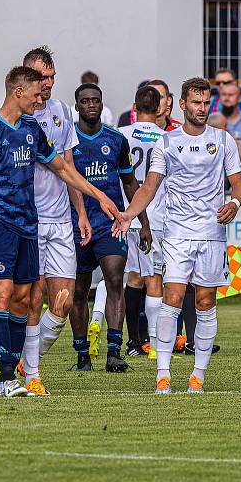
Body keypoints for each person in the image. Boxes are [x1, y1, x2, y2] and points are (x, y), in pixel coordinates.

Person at [0, 66, 119, 398]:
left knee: (24, 300)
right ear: (19, 92)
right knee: (2, 294)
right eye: (35, 94)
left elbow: (62, 167)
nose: (39, 100)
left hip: (29, 224)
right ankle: (7, 379)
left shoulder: (31, 128)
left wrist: (100, 196)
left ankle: (16, 372)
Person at [113, 77, 241, 395]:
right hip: (177, 233)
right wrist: (129, 214)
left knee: (205, 302)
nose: (202, 108)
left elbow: (238, 184)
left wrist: (235, 202)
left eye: (206, 103)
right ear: (182, 105)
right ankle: (163, 375)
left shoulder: (223, 140)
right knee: (171, 298)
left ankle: (197, 376)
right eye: (196, 103)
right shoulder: (168, 142)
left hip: (212, 234)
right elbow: (149, 185)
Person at [15, 46, 83, 394]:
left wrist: (81, 212)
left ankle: (26, 359)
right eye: (42, 77)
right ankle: (33, 374)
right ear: (26, 78)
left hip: (60, 221)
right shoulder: (17, 117)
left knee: (64, 302)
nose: (49, 84)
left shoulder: (60, 112)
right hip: (28, 220)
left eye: (53, 76)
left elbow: (68, 166)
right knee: (32, 297)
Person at [69, 82, 147, 374]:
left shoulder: (115, 139)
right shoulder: (68, 141)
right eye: (85, 101)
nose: (91, 105)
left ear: (102, 105)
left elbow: (130, 183)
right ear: (77, 106)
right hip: (76, 225)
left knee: (115, 279)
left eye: (96, 100)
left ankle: (114, 351)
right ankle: (82, 355)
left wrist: (142, 221)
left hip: (110, 224)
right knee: (78, 290)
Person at [118, 86, 165, 357]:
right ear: (159, 109)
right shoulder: (167, 138)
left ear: (134, 107)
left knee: (131, 279)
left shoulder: (120, 134)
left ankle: (133, 341)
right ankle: (156, 344)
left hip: (126, 215)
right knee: (154, 279)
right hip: (155, 217)